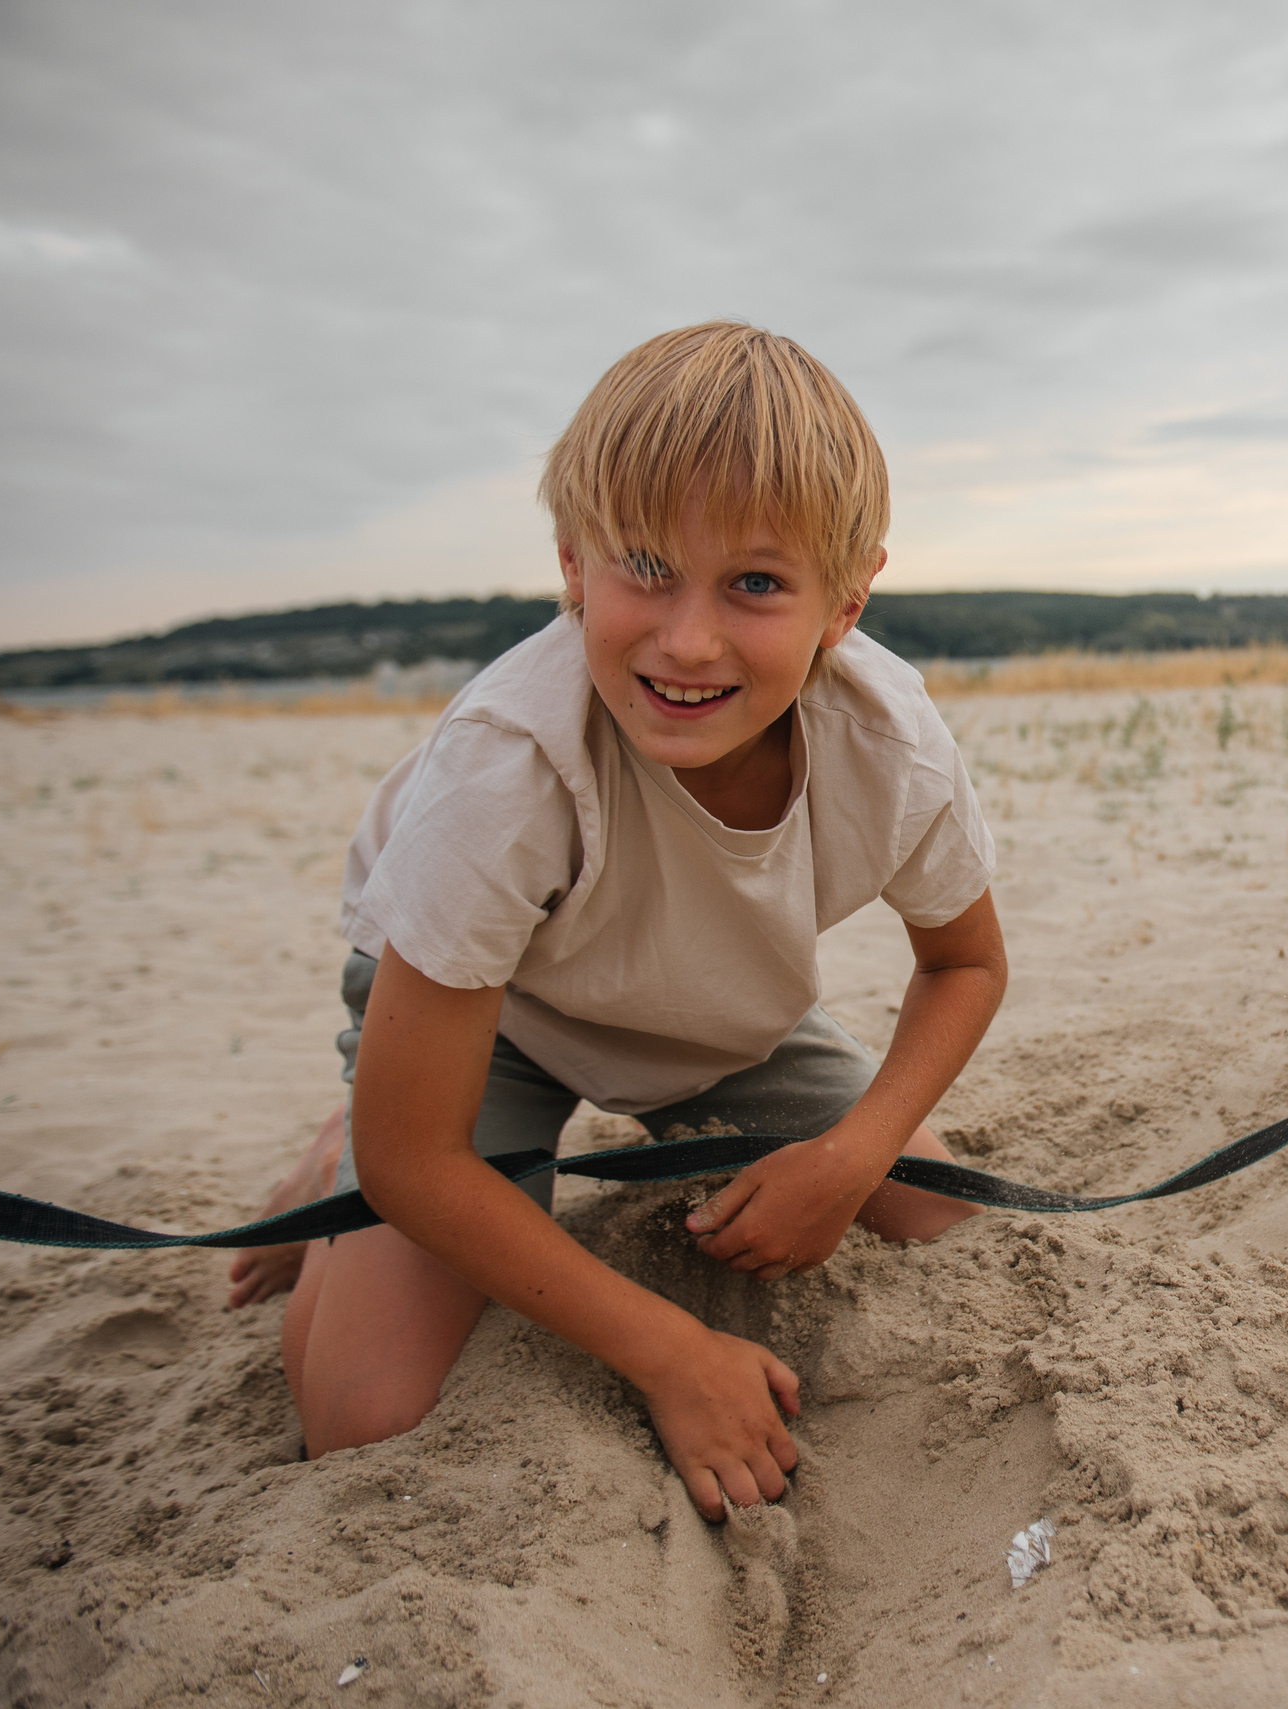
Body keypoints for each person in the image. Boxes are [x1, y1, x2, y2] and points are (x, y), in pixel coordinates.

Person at [224, 323, 1002, 1519]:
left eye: (754, 582)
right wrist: (670, 1351)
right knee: (364, 1416)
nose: (687, 639)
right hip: (488, 1015)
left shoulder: (888, 742)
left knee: (941, 1208)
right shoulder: (509, 766)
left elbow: (964, 962)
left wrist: (846, 1159)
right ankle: (334, 1149)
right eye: (645, 564)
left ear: (845, 601)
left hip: (711, 1018)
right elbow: (414, 1156)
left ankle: (408, 1146)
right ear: (573, 563)